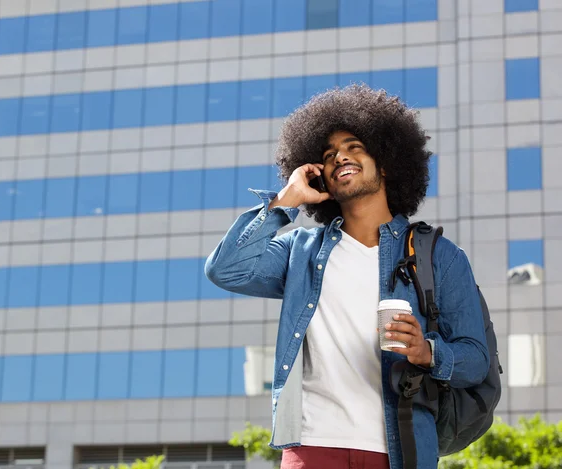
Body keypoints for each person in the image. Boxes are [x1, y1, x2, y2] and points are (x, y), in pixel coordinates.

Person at [204, 85, 489, 469]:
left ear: (386, 163)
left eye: (354, 147)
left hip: (399, 449)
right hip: (311, 447)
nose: (340, 157)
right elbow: (227, 269)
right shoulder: (301, 250)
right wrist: (285, 202)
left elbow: (476, 359)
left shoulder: (439, 255)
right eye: (328, 155)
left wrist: (427, 352)